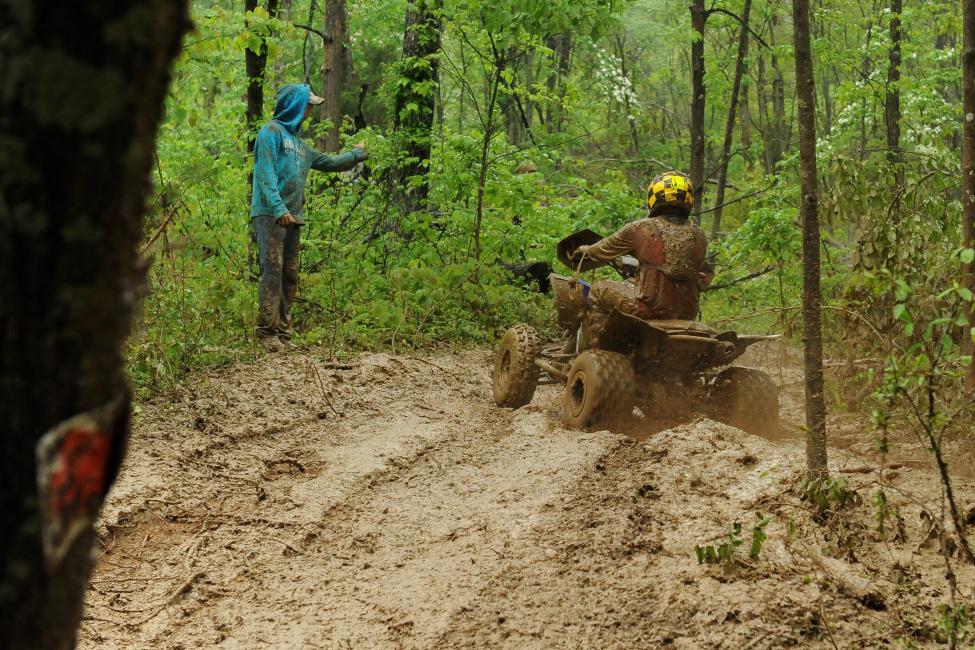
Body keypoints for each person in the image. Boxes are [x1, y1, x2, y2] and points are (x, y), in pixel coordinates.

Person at [250, 83, 369, 351]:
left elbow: (331, 163)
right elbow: (265, 173)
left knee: (289, 274)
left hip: (293, 217)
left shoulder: (301, 147)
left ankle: (282, 332)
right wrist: (279, 209)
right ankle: (266, 333)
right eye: (307, 107)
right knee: (272, 271)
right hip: (270, 213)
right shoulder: (270, 133)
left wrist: (357, 154)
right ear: (294, 106)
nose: (309, 113)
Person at [572, 171, 714, 341]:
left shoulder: (641, 228)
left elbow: (602, 248)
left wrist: (585, 250)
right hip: (687, 311)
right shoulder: (700, 235)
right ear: (688, 199)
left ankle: (596, 344)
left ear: (654, 197)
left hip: (647, 307)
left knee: (597, 289)